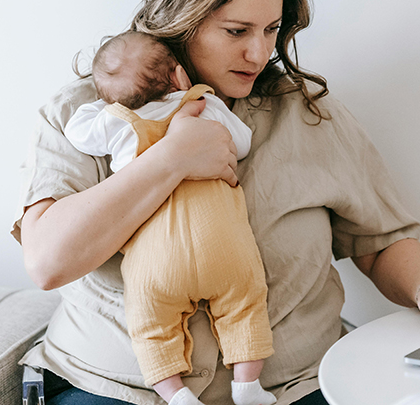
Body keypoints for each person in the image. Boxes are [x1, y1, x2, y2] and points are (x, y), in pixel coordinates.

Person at [14, 0, 420, 405]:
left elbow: (378, 240)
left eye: (271, 29)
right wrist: (172, 158)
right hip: (119, 388)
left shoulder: (309, 115)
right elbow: (49, 261)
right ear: (180, 21)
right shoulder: (85, 114)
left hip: (295, 386)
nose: (259, 53)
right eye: (237, 31)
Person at [63, 30, 276, 405]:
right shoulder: (203, 103)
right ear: (179, 76)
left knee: (150, 326)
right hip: (222, 244)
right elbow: (241, 142)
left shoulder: (118, 122)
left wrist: (104, 103)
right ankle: (247, 386)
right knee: (246, 304)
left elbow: (78, 132)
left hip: (155, 260)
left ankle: (175, 394)